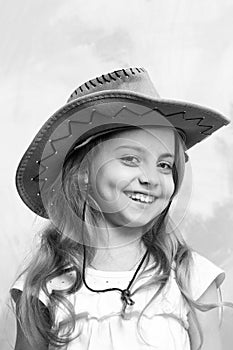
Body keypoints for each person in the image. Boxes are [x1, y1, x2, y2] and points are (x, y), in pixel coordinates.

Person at [11, 67, 231, 350]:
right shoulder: (46, 285)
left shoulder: (191, 278)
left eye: (164, 165)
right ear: (83, 175)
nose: (150, 178)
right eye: (130, 158)